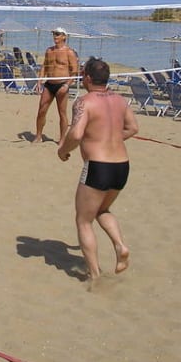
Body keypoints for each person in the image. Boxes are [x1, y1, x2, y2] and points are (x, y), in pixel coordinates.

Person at [57, 57, 138, 281]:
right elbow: (133, 128)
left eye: (83, 74)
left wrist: (63, 150)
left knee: (83, 220)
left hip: (98, 166)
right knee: (102, 210)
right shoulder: (121, 100)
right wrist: (110, 137)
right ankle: (120, 246)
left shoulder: (85, 101)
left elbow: (76, 134)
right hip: (122, 166)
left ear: (89, 78)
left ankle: (94, 275)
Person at [34, 27, 80, 144]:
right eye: (54, 34)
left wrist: (67, 85)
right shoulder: (49, 51)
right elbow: (44, 67)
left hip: (62, 85)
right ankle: (38, 136)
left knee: (62, 113)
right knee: (41, 111)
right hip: (49, 84)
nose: (55, 36)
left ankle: (62, 139)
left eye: (58, 34)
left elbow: (74, 71)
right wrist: (39, 82)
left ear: (64, 36)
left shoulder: (69, 52)